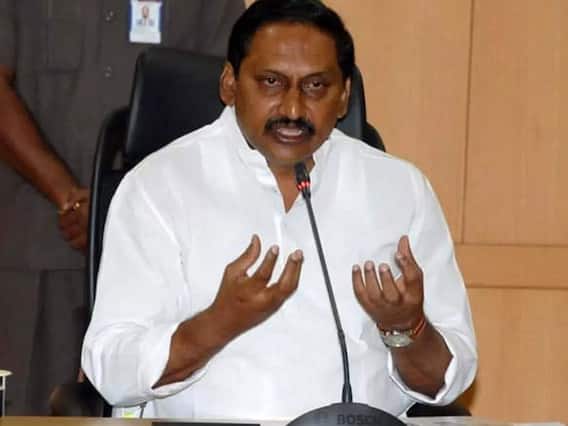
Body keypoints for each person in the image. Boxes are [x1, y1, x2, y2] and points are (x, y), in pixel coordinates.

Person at [82, 0, 477, 420]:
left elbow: (448, 380)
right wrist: (218, 323)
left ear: (344, 96)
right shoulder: (158, 186)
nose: (292, 109)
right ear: (230, 84)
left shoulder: (399, 189)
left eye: (315, 86)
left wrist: (406, 328)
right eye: (271, 82)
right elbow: (110, 369)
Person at [0, 0, 245, 415]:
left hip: (168, 256)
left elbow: (233, 96)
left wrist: (125, 215)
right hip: (40, 249)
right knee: (30, 407)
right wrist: (70, 197)